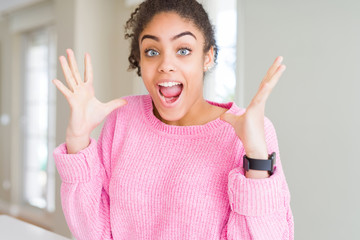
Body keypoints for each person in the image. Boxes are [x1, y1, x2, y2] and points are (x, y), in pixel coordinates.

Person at [52, 0, 294, 239]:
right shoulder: (122, 119)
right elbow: (93, 233)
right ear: (140, 60)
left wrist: (256, 157)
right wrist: (77, 140)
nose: (166, 65)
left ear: (207, 57)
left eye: (183, 50)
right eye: (152, 52)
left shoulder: (249, 132)